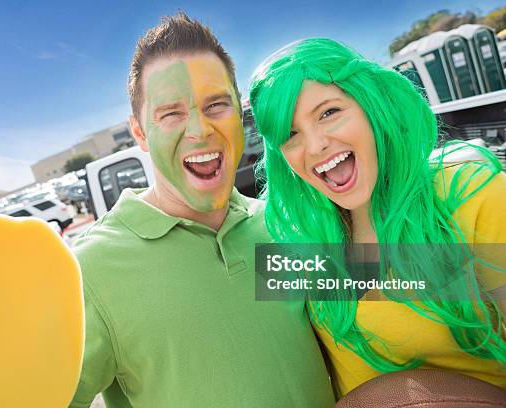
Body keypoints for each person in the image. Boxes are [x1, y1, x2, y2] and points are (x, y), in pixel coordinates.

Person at [68, 15, 334, 408]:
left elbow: (409, 279)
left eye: (216, 105)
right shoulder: (90, 270)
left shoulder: (278, 224)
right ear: (139, 132)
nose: (200, 129)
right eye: (171, 113)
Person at [249, 38, 505, 399]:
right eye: (290, 135)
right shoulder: (303, 239)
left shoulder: (470, 197)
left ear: (370, 105)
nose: (315, 145)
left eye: (328, 112)